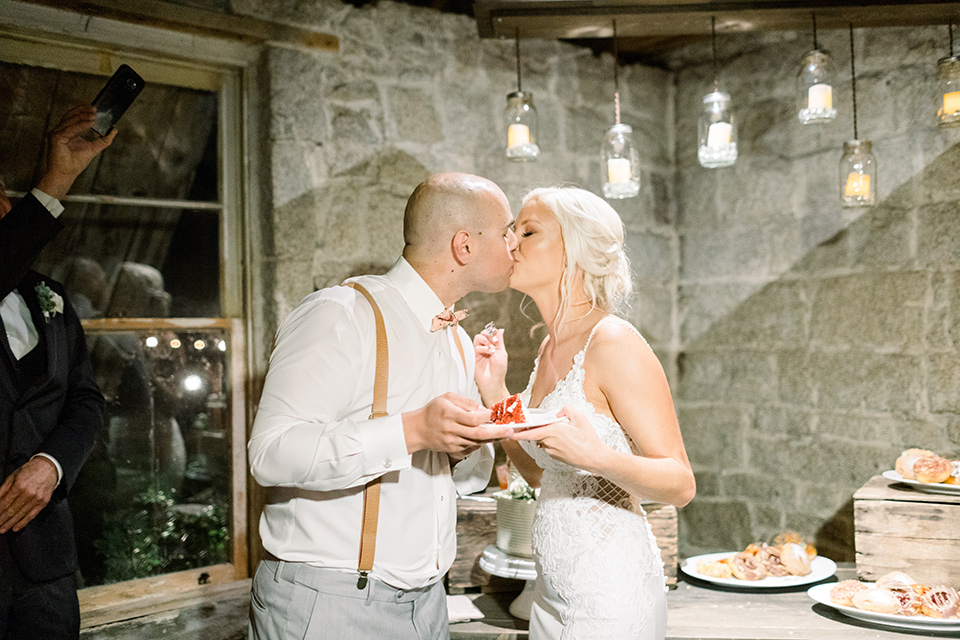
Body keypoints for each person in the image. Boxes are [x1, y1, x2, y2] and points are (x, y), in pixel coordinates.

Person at [247, 172, 519, 640]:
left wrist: (461, 449)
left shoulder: (457, 340)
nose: (515, 244)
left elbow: (464, 483)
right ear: (464, 246)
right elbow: (269, 454)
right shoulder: (340, 313)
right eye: (506, 230)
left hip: (428, 605)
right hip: (331, 604)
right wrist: (412, 431)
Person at [474, 186, 696, 640]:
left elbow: (681, 483)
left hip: (609, 598)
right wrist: (495, 393)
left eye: (527, 231)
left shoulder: (612, 341)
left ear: (574, 249)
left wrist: (598, 457)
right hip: (551, 595)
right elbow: (539, 476)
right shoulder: (548, 346)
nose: (510, 242)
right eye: (512, 231)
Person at [0, 105, 112, 639]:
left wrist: (51, 464)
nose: (3, 210)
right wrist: (56, 180)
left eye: (3, 200)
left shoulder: (51, 297)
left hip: (45, 556)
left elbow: (86, 401)